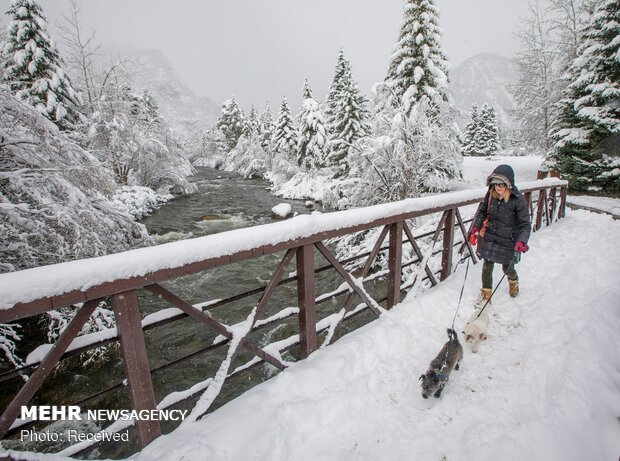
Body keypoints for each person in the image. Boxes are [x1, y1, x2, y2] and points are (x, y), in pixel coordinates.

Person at [467, 164, 531, 304]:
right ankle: (486, 295)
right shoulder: (491, 195)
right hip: (490, 237)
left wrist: (522, 240)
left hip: (508, 240)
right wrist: (475, 228)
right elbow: (482, 212)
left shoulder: (518, 200)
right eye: (495, 183)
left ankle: (513, 280)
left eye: (501, 184)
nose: (498, 187)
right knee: (487, 266)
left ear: (508, 184)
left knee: (506, 267)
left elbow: (525, 224)